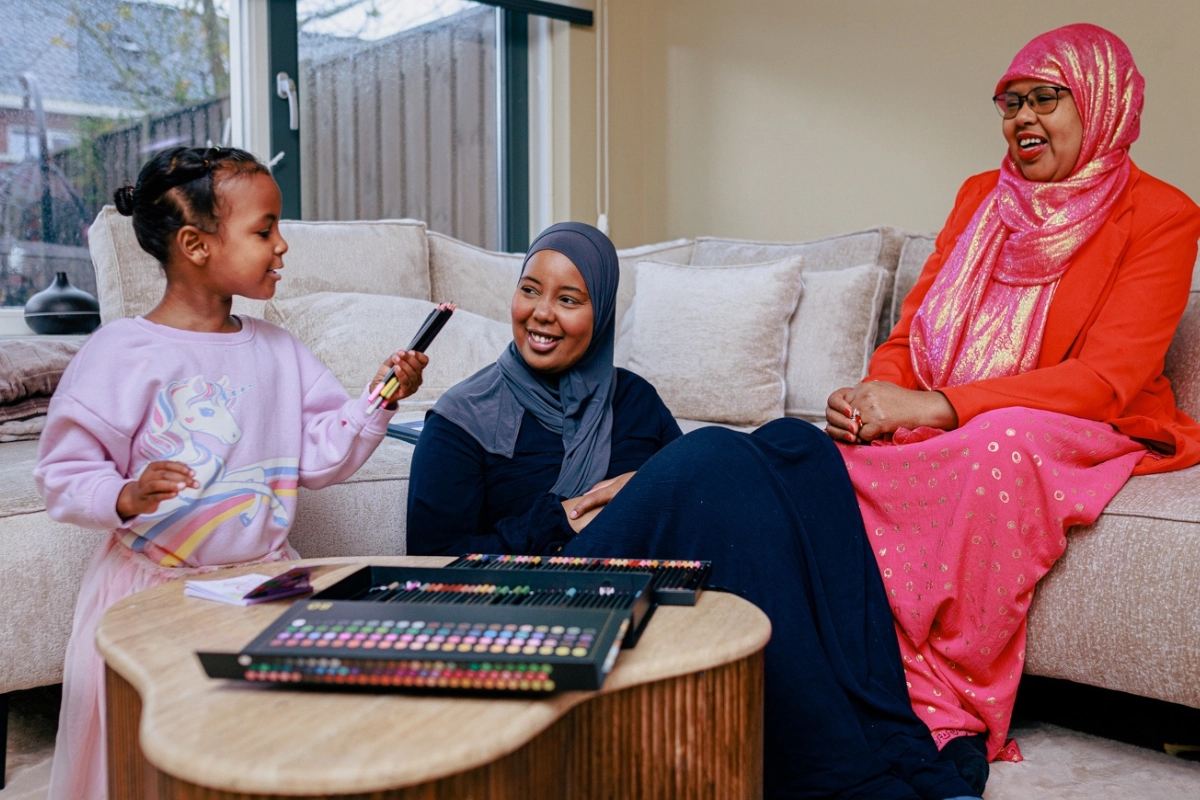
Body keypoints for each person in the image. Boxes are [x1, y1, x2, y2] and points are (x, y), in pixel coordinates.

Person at [408, 222, 982, 800]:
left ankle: (891, 737)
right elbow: (431, 573)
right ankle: (838, 776)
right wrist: (563, 517)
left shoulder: (632, 399)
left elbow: (700, 511)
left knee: (800, 444)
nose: (541, 314)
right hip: (551, 593)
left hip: (653, 588)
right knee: (710, 453)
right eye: (530, 290)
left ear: (601, 310)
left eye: (568, 299)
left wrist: (648, 486)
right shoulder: (463, 418)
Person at [824, 23, 1200, 792]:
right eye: (1010, 102)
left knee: (999, 441)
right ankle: (841, 654)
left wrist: (932, 407)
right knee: (827, 451)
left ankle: (936, 687)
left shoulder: (1162, 214)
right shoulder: (979, 198)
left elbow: (1107, 379)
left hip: (1089, 420)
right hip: (962, 406)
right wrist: (872, 396)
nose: (1022, 119)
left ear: (1100, 101)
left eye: (1045, 99)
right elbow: (912, 333)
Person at [34, 146, 428, 800]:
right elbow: (64, 472)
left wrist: (378, 400)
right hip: (151, 589)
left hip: (264, 583)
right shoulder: (123, 353)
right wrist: (124, 494)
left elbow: (322, 456)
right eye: (264, 229)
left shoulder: (279, 350)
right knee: (149, 759)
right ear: (195, 244)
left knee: (266, 747)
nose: (283, 245)